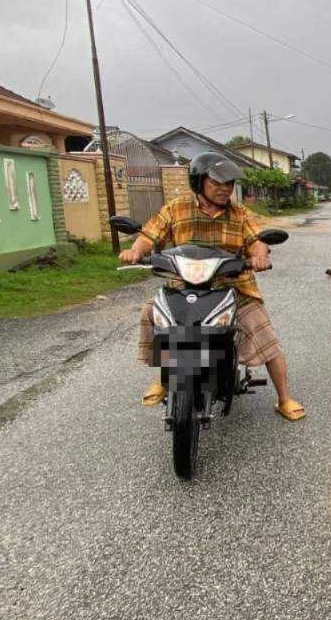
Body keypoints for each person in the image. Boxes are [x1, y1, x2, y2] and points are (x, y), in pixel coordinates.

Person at [118, 152, 305, 421]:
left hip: (233, 286)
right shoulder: (176, 208)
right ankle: (166, 376)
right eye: (217, 183)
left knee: (261, 329)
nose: (224, 189)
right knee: (151, 312)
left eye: (228, 184)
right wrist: (135, 251)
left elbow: (256, 238)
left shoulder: (239, 213)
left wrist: (260, 255)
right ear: (198, 182)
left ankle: (284, 398)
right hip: (182, 284)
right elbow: (149, 235)